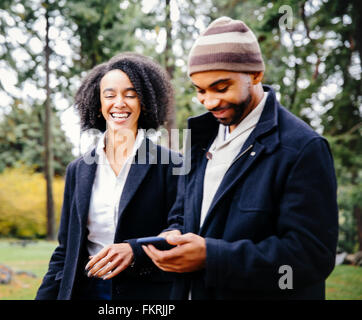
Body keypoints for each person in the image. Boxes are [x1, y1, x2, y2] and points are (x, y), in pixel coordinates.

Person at [143, 16, 339, 300]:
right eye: (200, 91)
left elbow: (311, 257)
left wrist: (213, 257)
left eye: (221, 88)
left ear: (256, 74)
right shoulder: (199, 140)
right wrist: (172, 234)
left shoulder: (303, 148)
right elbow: (182, 214)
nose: (210, 102)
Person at [35, 53, 180, 300]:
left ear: (144, 101)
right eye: (110, 95)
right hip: (86, 290)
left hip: (147, 294)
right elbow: (65, 250)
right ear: (98, 103)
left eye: (130, 94)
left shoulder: (171, 164)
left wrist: (136, 250)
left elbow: (180, 228)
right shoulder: (78, 169)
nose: (119, 103)